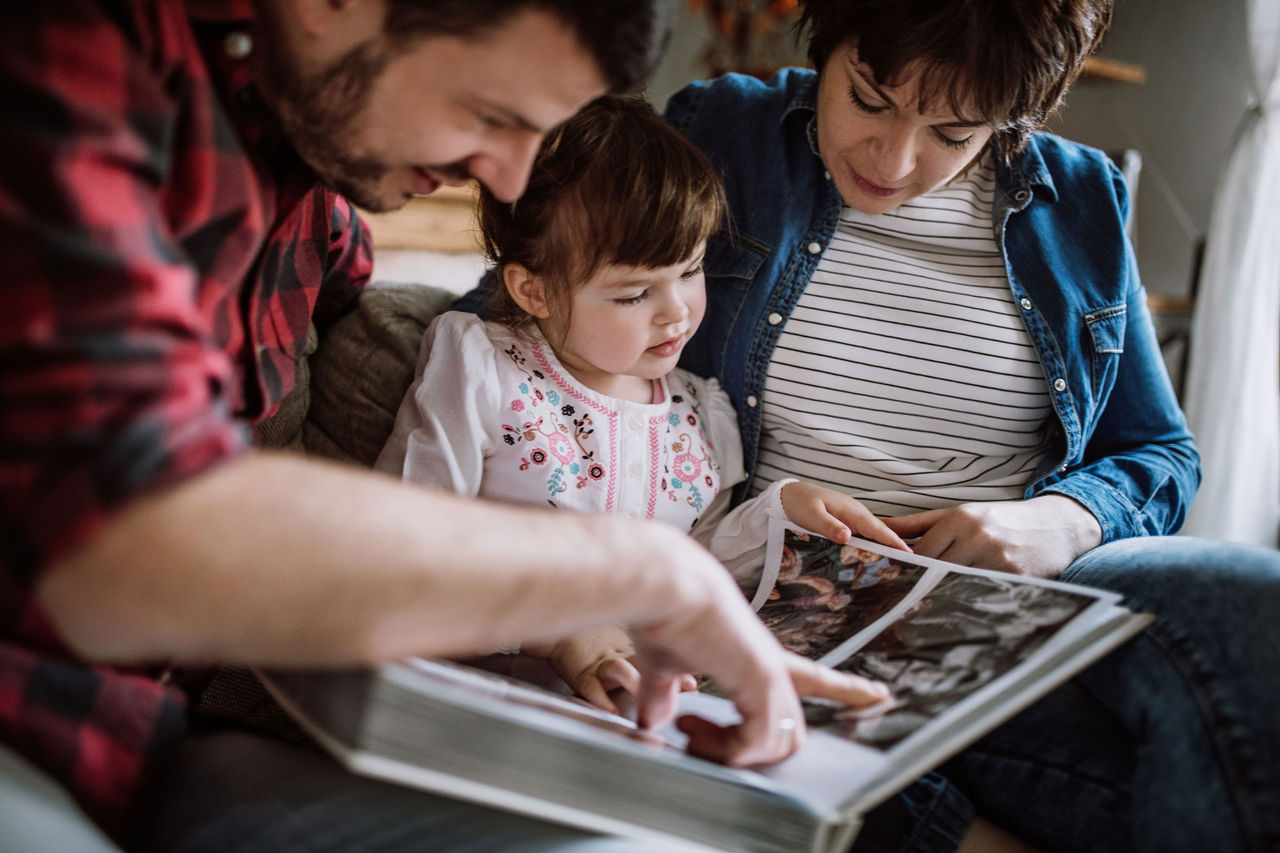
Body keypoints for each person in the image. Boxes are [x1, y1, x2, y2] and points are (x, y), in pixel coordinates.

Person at [0, 2, 885, 851]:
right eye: (489, 112)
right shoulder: (70, 62)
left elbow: (341, 311)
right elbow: (119, 536)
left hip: (161, 747)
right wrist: (638, 575)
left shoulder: (311, 171)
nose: (505, 179)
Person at [654, 0, 1280, 850]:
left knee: (1250, 608)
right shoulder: (725, 132)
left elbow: (1158, 451)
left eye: (954, 132)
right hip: (773, 604)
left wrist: (1055, 521)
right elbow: (530, 322)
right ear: (830, 40)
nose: (895, 158)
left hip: (1012, 615)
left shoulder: (1083, 198)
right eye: (869, 98)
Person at [376, 93, 906, 712]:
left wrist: (778, 513)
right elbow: (399, 552)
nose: (677, 312)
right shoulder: (483, 366)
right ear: (534, 290)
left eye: (691, 270)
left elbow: (695, 565)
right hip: (477, 699)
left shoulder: (702, 414)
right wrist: (554, 633)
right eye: (634, 295)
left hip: (638, 712)